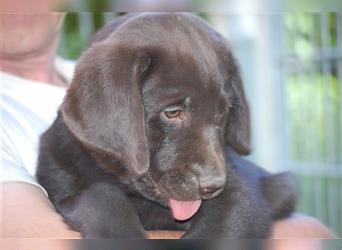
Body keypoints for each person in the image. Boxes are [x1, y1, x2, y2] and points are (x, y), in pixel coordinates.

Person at [1, 11, 336, 240]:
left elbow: (297, 226)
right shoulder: (99, 94)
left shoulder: (99, 77)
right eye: (173, 112)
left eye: (219, 114)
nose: (213, 174)